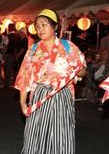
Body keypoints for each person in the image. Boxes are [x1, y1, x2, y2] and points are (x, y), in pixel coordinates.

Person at [14, 9, 86, 154]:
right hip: (39, 95)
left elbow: (83, 70)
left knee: (61, 138)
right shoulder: (33, 50)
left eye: (44, 25)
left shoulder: (68, 47)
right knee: (34, 136)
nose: (40, 29)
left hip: (62, 94)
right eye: (38, 26)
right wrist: (22, 103)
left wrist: (80, 71)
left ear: (55, 27)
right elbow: (24, 77)